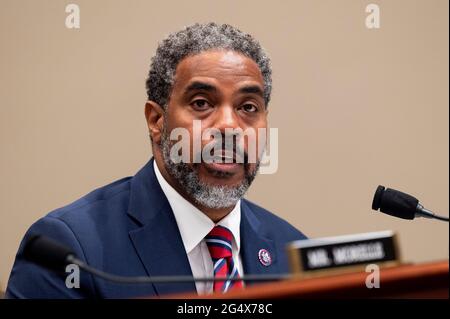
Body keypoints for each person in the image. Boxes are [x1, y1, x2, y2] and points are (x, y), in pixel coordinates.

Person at [6, 22, 307, 298]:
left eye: (248, 107)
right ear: (157, 120)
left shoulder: (294, 254)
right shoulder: (71, 250)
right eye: (202, 103)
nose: (229, 126)